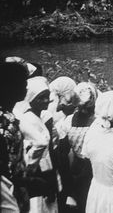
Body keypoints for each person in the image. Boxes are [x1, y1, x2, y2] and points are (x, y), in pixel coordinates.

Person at [17, 76, 58, 213]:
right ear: (30, 99)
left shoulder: (39, 117)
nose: (46, 101)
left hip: (46, 171)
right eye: (41, 98)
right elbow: (35, 148)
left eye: (47, 96)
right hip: (39, 173)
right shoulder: (29, 120)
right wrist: (32, 169)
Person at [57, 82, 98, 213]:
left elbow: (63, 151)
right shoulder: (97, 122)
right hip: (86, 168)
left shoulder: (69, 121)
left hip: (84, 168)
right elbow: (63, 151)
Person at [0, 62, 29, 213]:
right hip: (8, 193)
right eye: (22, 83)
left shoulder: (10, 115)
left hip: (17, 188)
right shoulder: (3, 122)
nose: (26, 87)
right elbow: (5, 166)